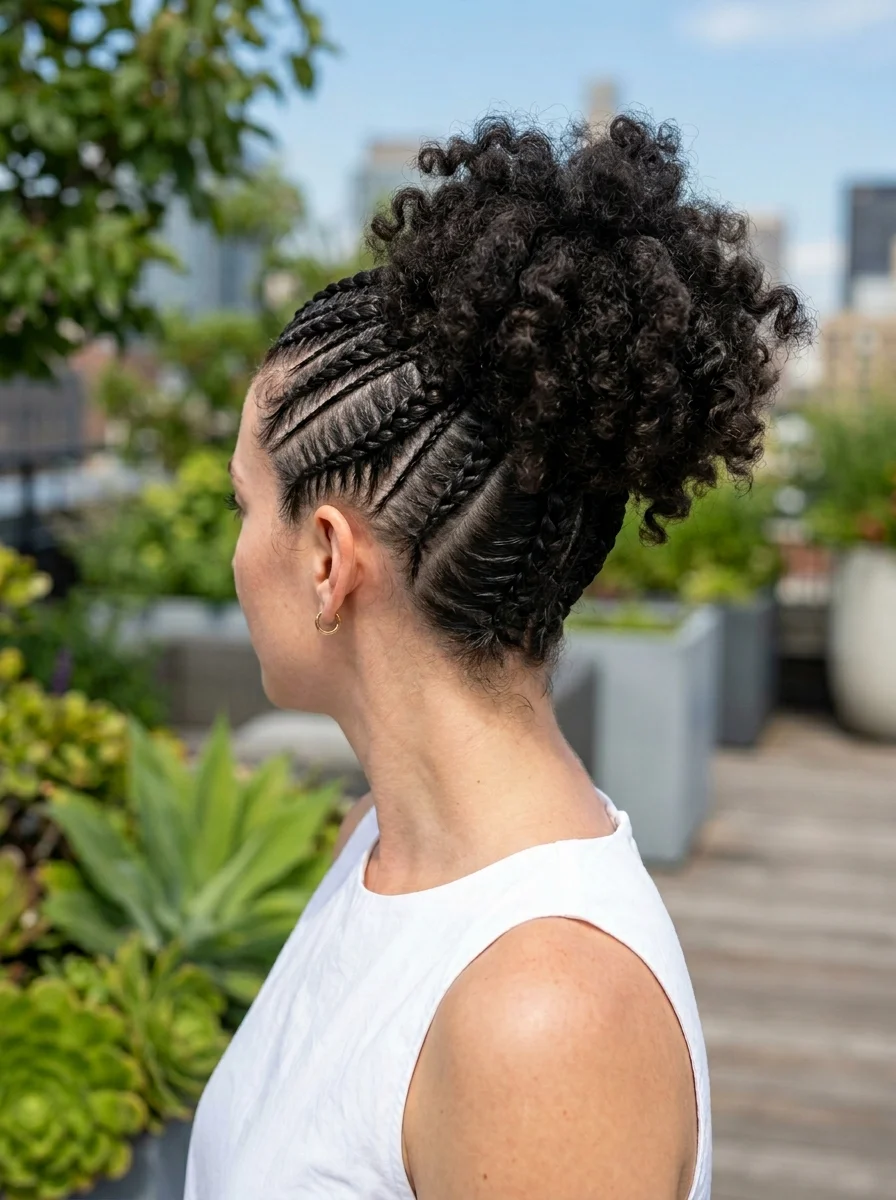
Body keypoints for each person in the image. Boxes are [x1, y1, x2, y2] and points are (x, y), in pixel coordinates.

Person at [184, 115, 808, 1200]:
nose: (235, 551)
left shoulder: (544, 1016)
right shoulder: (380, 846)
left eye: (243, 506)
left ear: (328, 560)